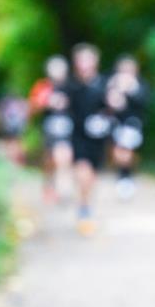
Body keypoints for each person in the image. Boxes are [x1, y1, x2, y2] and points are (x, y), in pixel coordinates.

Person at [66, 43, 111, 236]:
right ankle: (84, 209)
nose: (84, 63)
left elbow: (112, 107)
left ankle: (86, 204)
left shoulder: (104, 84)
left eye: (88, 59)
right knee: (82, 170)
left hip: (98, 138)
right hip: (78, 136)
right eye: (81, 59)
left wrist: (113, 104)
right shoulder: (70, 85)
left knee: (91, 175)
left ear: (95, 61)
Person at [28, 55, 73, 204]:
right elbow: (32, 107)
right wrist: (46, 102)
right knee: (50, 159)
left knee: (64, 156)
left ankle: (63, 186)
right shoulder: (43, 86)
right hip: (49, 128)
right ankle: (49, 184)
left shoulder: (71, 86)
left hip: (67, 128)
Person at [105, 55, 149, 200]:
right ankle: (123, 176)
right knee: (118, 154)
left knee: (125, 152)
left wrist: (130, 90)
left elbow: (143, 102)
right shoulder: (112, 84)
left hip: (132, 125)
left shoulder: (139, 85)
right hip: (116, 124)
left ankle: (126, 178)